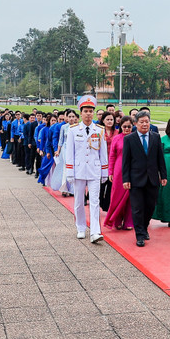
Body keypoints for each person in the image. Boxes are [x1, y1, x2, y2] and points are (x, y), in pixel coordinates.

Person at [63, 95, 109, 243]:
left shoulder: (99, 130)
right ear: (81, 113)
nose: (88, 114)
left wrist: (104, 171)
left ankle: (95, 231)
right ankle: (81, 227)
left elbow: (103, 153)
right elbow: (70, 153)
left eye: (90, 111)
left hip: (94, 170)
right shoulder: (73, 130)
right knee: (79, 202)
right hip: (79, 170)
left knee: (95, 201)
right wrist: (70, 172)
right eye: (86, 111)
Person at [122, 111, 167, 247]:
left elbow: (160, 158)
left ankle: (144, 226)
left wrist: (163, 175)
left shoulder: (155, 137)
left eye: (147, 121)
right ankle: (140, 235)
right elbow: (126, 162)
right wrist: (126, 179)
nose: (144, 124)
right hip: (136, 179)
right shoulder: (129, 139)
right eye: (141, 122)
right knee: (137, 208)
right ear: (135, 123)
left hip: (152, 179)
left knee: (150, 207)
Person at [104, 115, 134, 230]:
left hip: (132, 169)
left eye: (129, 127)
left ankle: (129, 221)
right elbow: (112, 156)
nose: (127, 129)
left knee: (130, 197)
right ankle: (116, 220)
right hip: (118, 170)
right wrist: (110, 172)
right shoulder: (116, 138)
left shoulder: (135, 138)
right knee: (116, 195)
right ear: (121, 126)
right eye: (124, 126)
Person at [50, 110, 75, 196]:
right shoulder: (64, 127)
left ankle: (72, 189)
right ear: (66, 117)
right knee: (66, 168)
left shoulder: (78, 127)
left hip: (74, 149)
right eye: (69, 117)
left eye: (73, 117)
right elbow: (61, 140)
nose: (71, 118)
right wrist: (58, 151)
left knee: (74, 169)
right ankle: (64, 188)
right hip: (65, 149)